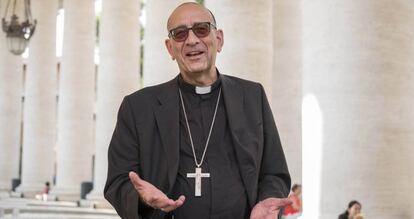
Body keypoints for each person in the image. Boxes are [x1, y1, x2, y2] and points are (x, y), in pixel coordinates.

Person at [104, 2, 291, 219]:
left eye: (201, 29)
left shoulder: (252, 97)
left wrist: (266, 201)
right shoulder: (137, 107)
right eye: (180, 34)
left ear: (218, 39)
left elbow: (274, 172)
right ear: (170, 48)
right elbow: (118, 182)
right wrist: (142, 197)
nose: (192, 40)